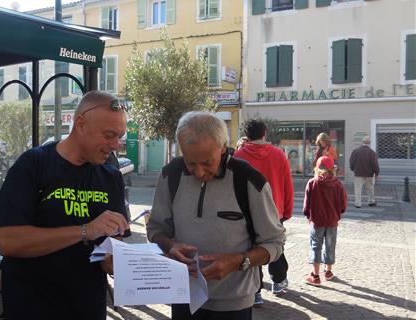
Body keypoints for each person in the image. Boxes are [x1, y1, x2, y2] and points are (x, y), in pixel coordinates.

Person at [0, 91, 130, 320]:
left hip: (88, 308)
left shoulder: (111, 177)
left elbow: (112, 247)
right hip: (33, 307)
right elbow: (8, 242)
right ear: (81, 124)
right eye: (109, 135)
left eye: (120, 137)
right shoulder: (33, 164)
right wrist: (86, 230)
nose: (115, 145)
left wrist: (117, 262)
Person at [147, 111, 285, 320]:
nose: (199, 172)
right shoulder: (170, 174)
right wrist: (170, 245)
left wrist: (239, 261)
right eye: (190, 163)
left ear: (222, 148)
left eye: (206, 162)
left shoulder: (248, 180)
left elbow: (275, 243)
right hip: (183, 295)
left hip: (234, 304)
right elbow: (156, 229)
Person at [234, 119, 293, 304]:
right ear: (264, 133)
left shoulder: (238, 156)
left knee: (252, 249)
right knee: (275, 246)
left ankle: (256, 292)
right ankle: (278, 281)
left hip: (247, 211)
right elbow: (287, 184)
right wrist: (287, 211)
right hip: (275, 209)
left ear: (247, 135)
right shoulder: (279, 154)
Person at [303, 156, 347, 286]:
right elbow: (343, 204)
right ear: (332, 169)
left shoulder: (312, 183)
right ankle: (328, 272)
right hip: (332, 221)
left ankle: (315, 275)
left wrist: (308, 216)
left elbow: (307, 204)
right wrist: (338, 214)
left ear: (317, 168)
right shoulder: (338, 184)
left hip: (317, 221)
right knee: (330, 245)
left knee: (316, 245)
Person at [349, 136, 379, 208]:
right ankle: (371, 201)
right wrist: (376, 173)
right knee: (370, 188)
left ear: (362, 142)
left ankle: (358, 203)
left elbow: (351, 162)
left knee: (358, 189)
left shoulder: (356, 151)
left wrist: (353, 169)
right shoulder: (372, 152)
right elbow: (375, 164)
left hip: (358, 173)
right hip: (369, 174)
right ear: (369, 143)